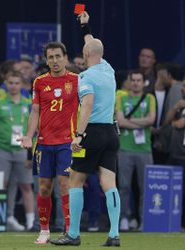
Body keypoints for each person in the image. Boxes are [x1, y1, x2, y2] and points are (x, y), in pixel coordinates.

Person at [50, 11, 120, 246]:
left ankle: (73, 234)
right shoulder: (108, 69)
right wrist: (85, 26)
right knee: (109, 183)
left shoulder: (86, 77)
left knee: (75, 182)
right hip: (111, 133)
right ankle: (114, 235)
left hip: (91, 134)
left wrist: (78, 135)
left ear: (85, 55)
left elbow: (87, 104)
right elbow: (92, 44)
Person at [19, 41, 79, 243]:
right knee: (44, 187)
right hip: (44, 143)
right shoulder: (39, 82)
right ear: (46, 60)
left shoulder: (78, 80)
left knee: (65, 185)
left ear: (65, 58)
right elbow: (35, 111)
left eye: (57, 56)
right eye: (50, 57)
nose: (54, 60)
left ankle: (70, 230)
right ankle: (44, 230)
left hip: (67, 143)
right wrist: (29, 135)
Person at [0, 71, 35, 231]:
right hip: (2, 149)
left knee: (26, 185)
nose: (13, 86)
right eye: (11, 83)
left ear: (21, 85)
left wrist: (31, 153)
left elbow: (34, 130)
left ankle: (31, 222)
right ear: (6, 84)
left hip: (23, 149)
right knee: (2, 185)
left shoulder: (29, 103)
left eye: (16, 83)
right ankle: (2, 219)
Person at [115, 70, 156, 230]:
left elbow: (151, 120)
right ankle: (124, 218)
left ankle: (144, 220)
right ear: (129, 82)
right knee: (124, 186)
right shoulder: (121, 97)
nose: (136, 83)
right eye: (133, 80)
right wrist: (141, 123)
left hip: (145, 149)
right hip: (124, 148)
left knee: (145, 187)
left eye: (139, 80)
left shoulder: (149, 98)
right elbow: (120, 121)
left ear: (143, 82)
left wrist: (129, 121)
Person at [165, 81, 185, 229]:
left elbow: (178, 125)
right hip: (177, 153)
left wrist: (173, 123)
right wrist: (175, 107)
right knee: (176, 190)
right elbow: (166, 121)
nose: (183, 89)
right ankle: (175, 221)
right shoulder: (180, 105)